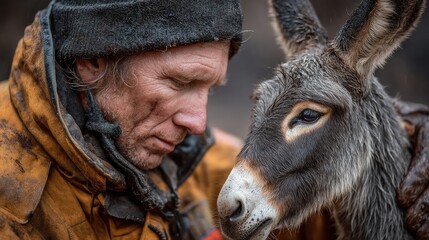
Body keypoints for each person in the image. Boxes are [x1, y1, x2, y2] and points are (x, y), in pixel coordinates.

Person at [0, 0, 428, 239]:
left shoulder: (178, 157)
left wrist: (400, 148)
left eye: (211, 89)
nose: (199, 121)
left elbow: (301, 192)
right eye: (178, 82)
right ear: (93, 60)